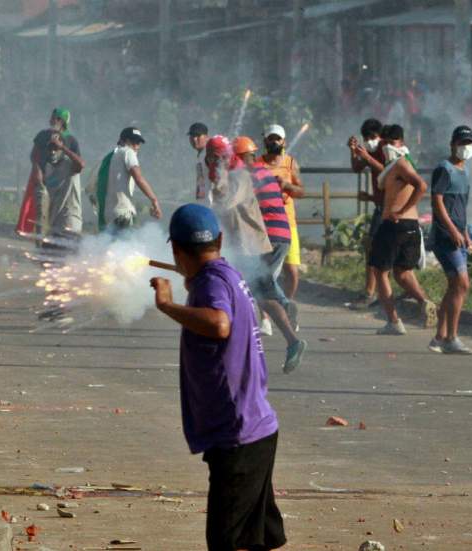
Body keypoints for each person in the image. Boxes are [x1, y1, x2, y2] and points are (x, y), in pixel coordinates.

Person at [149, 203, 286, 551]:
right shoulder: (227, 275)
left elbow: (219, 324)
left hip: (238, 435)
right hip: (256, 427)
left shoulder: (211, 283)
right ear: (220, 240)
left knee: (227, 541)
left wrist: (167, 306)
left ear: (176, 250)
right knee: (251, 539)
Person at [232, 136, 306, 372]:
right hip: (281, 235)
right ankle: (292, 341)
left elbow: (234, 206)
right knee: (260, 287)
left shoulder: (247, 176)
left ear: (239, 157)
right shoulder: (264, 172)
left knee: (257, 284)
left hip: (270, 237)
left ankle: (285, 304)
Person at [368, 124, 435, 335]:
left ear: (402, 143)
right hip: (410, 226)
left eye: (392, 142)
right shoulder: (394, 167)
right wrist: (363, 154)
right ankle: (425, 303)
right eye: (385, 142)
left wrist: (401, 210)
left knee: (380, 272)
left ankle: (394, 322)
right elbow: (385, 177)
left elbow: (422, 186)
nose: (388, 146)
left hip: (394, 225)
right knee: (402, 272)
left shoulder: (401, 164)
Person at [429, 126, 472, 355]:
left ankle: (440, 336)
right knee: (462, 283)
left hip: (458, 236)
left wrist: (465, 233)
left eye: (468, 143)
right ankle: (452, 338)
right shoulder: (444, 169)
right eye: (461, 143)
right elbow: (437, 202)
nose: (465, 148)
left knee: (454, 286)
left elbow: (461, 208)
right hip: (444, 236)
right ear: (452, 144)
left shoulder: (465, 173)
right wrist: (453, 230)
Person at [258, 124, 305, 329]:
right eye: (270, 138)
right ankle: (266, 317)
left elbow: (301, 191)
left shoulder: (290, 163)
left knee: (292, 271)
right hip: (264, 224)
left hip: (288, 223)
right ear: (264, 141)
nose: (274, 142)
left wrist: (286, 185)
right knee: (263, 272)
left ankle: (285, 309)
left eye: (277, 139)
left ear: (284, 142)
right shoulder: (258, 164)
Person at [18, 108, 81, 235]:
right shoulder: (43, 135)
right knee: (42, 215)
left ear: (61, 121)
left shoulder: (70, 140)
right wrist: (37, 170)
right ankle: (40, 243)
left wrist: (62, 147)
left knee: (63, 220)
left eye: (55, 118)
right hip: (45, 182)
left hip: (64, 185)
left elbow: (79, 164)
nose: (51, 120)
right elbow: (34, 155)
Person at [93, 127, 162, 232]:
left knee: (111, 247)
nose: (136, 146)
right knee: (127, 247)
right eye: (134, 141)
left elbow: (92, 186)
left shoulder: (108, 158)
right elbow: (139, 179)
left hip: (107, 215)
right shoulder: (128, 152)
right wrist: (154, 200)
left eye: (139, 142)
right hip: (122, 214)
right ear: (125, 141)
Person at [349, 118, 386, 305]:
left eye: (373, 137)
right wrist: (353, 151)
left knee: (376, 249)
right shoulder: (370, 151)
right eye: (367, 138)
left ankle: (372, 293)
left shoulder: (385, 150)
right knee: (373, 248)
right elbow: (356, 167)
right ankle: (371, 292)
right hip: (380, 207)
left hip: (390, 208)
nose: (370, 141)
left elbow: (387, 171)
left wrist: (368, 157)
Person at [43, 130, 85, 236]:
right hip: (54, 224)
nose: (52, 152)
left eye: (56, 148)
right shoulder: (47, 168)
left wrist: (62, 147)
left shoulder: (68, 164)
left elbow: (81, 164)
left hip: (70, 222)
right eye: (50, 148)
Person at [188, 122, 210, 202]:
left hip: (214, 204)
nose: (194, 139)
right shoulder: (200, 155)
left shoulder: (210, 154)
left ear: (207, 137)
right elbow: (201, 181)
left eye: (198, 136)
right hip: (205, 202)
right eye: (192, 136)